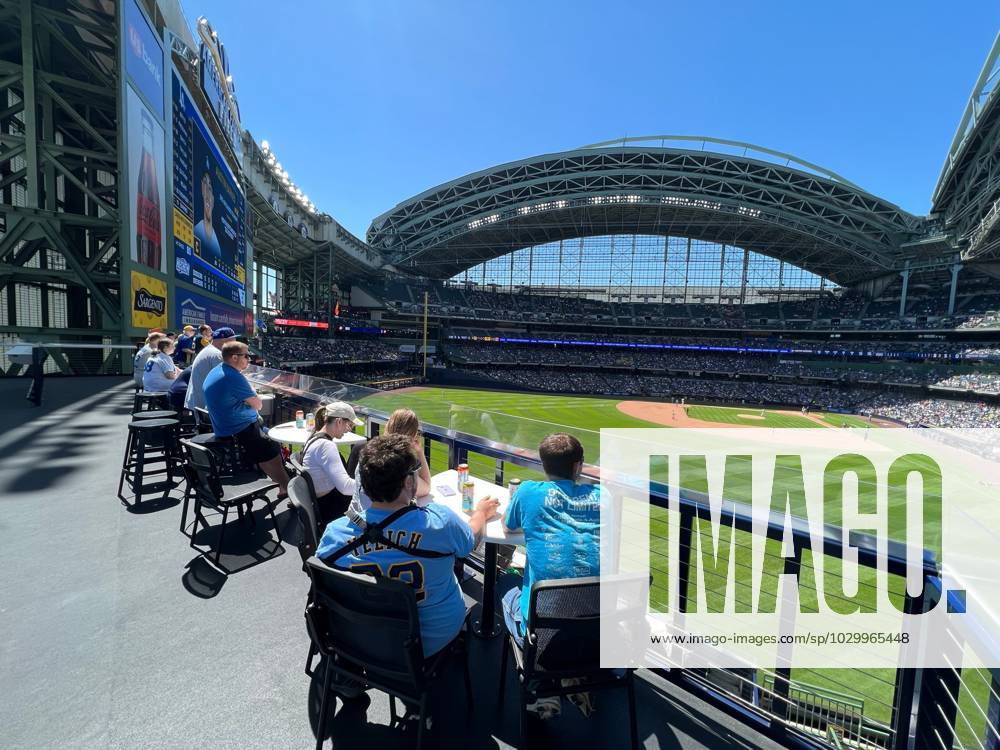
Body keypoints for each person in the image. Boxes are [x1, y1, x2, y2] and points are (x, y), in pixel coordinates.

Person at [317, 433, 499, 658]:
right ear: (408, 481)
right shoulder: (440, 523)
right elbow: (469, 540)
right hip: (426, 643)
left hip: (356, 639)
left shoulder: (334, 533)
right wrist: (481, 513)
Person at [501, 433, 602, 719]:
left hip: (543, 642)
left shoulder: (528, 492)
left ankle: (543, 687)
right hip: (599, 639)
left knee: (506, 584)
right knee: (567, 602)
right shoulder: (602, 496)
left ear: (543, 464)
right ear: (577, 466)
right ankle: (574, 678)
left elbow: (508, 528)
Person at [203, 340, 289, 497]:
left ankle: (281, 481)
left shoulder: (218, 370)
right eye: (246, 356)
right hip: (237, 428)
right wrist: (251, 398)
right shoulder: (233, 376)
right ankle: (287, 487)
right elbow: (258, 405)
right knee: (270, 448)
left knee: (269, 435)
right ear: (234, 357)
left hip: (224, 425)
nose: (249, 359)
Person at [350, 408, 431, 511]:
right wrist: (419, 451)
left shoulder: (370, 453)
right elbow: (426, 487)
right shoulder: (399, 464)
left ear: (388, 426)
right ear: (413, 436)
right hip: (373, 522)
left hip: (356, 516)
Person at [301, 401, 364, 524]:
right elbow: (345, 487)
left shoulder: (314, 437)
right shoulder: (326, 446)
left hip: (322, 503)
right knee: (371, 516)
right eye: (349, 425)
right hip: (332, 508)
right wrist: (371, 486)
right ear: (339, 422)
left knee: (358, 448)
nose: (348, 430)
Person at [184, 326, 236, 413]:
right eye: (233, 340)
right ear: (224, 340)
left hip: (197, 402)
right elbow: (227, 380)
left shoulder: (209, 350)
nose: (235, 344)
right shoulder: (217, 354)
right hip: (203, 406)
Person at [193, 169, 222, 259]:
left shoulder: (217, 249)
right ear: (202, 191)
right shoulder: (195, 231)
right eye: (204, 184)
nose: (207, 194)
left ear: (213, 200)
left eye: (210, 189)